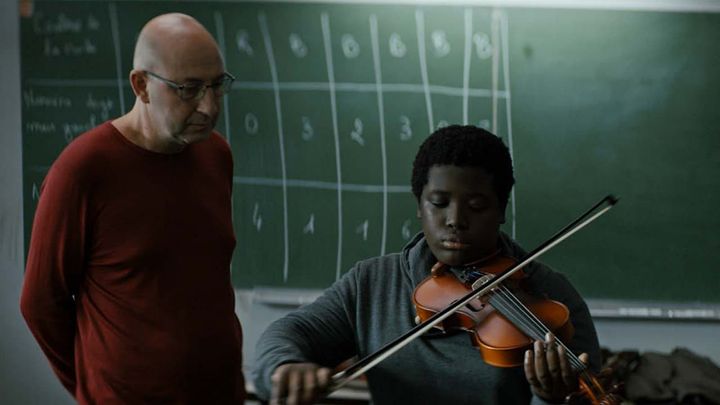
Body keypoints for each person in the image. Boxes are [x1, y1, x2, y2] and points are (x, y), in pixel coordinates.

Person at [253, 125, 602, 405]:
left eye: (477, 206)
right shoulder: (372, 283)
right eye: (439, 203)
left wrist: (554, 398)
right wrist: (286, 367)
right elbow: (287, 334)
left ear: (501, 210)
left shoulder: (552, 300)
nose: (455, 220)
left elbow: (588, 394)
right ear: (419, 205)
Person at [20, 13, 245, 404]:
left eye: (216, 85)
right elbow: (41, 303)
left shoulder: (217, 155)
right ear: (141, 86)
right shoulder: (83, 170)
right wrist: (95, 388)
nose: (209, 107)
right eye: (189, 89)